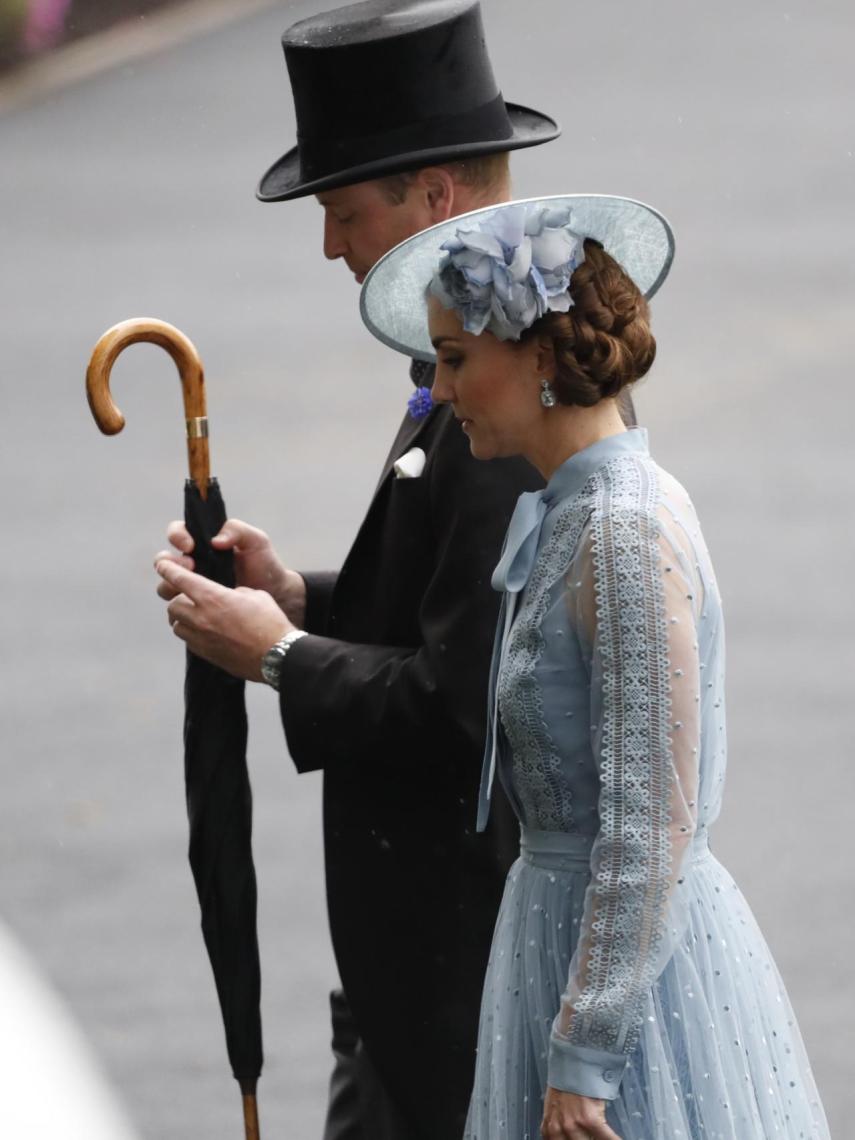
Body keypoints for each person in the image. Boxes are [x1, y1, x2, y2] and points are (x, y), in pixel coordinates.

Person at [153, 3, 583, 1137]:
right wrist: (305, 598)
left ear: (435, 197)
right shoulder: (479, 352)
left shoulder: (501, 394)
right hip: (424, 975)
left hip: (469, 973)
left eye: (345, 211)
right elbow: (461, 608)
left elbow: (461, 704)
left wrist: (282, 655)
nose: (331, 245)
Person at [357, 195, 831, 1140]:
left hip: (627, 989)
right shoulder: (574, 510)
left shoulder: (620, 531)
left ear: (536, 356)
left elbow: (650, 821)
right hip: (557, 940)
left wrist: (584, 1054)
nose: (439, 394)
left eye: (454, 361)